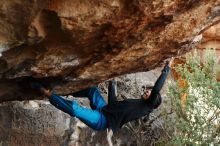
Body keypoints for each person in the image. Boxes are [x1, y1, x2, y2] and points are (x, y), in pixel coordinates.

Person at [32, 58, 172, 132]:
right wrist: (113, 82)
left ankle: (48, 94)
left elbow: (156, 89)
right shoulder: (136, 104)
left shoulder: (146, 108)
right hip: (104, 108)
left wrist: (166, 69)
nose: (147, 91)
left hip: (101, 120)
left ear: (152, 101)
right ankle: (66, 92)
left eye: (149, 93)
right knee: (92, 90)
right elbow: (112, 103)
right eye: (148, 91)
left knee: (75, 109)